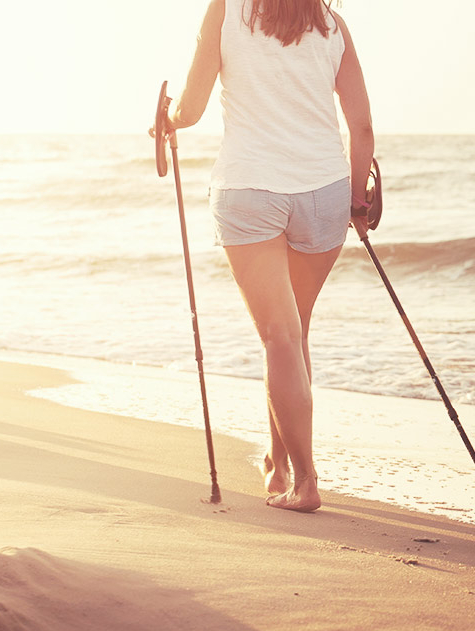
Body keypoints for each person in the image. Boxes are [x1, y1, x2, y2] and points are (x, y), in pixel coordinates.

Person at [156, 0, 374, 512]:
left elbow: (190, 109)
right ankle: (278, 465)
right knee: (293, 335)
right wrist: (359, 201)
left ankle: (306, 481)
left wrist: (167, 119)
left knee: (281, 336)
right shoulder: (332, 25)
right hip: (323, 194)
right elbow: (361, 127)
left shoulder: (226, 11)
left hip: (249, 190)